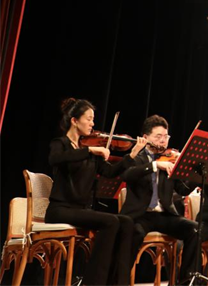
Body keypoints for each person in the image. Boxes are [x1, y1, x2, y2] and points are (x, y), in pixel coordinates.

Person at [45, 98, 147, 286]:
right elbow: (55, 158)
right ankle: (94, 282)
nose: (93, 124)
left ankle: (118, 282)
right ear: (74, 121)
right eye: (89, 119)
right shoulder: (61, 144)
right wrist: (91, 150)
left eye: (93, 119)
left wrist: (132, 155)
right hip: (60, 209)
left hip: (81, 210)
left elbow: (110, 172)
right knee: (110, 221)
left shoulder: (89, 151)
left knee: (126, 221)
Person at [120, 114, 199, 284]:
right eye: (158, 137)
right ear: (146, 137)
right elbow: (127, 175)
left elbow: (182, 190)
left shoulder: (170, 159)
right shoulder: (137, 158)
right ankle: (120, 281)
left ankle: (185, 282)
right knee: (134, 233)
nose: (163, 141)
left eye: (166, 137)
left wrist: (196, 175)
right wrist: (154, 165)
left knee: (194, 229)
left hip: (164, 215)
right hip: (141, 215)